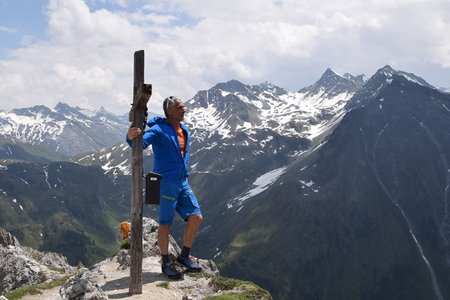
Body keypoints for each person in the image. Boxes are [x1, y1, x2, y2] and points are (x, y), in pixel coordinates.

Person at [126, 96, 203, 279]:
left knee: (196, 217)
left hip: (182, 182)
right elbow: (138, 143)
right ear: (169, 111)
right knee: (165, 223)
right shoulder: (158, 130)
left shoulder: (184, 130)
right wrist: (129, 136)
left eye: (183, 106)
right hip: (166, 184)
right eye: (179, 107)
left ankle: (184, 256)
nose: (184, 109)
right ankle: (166, 261)